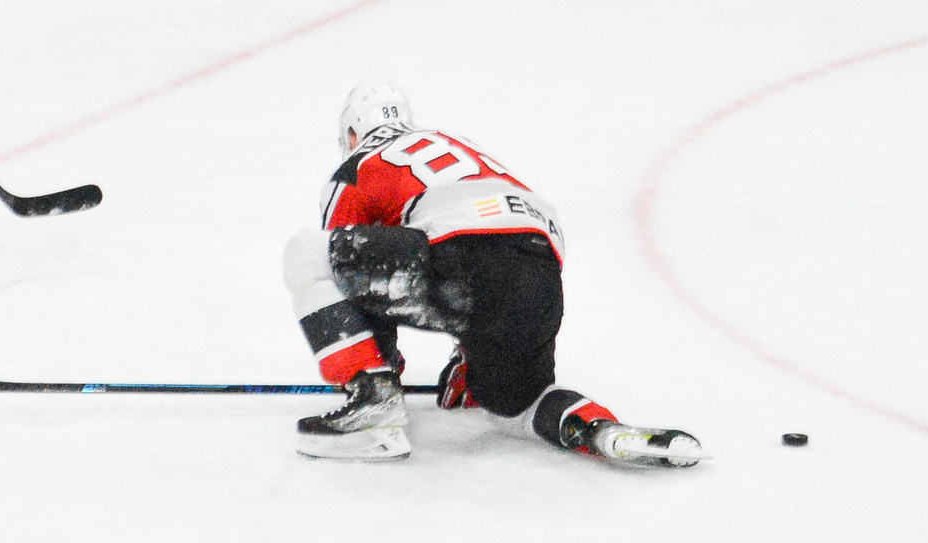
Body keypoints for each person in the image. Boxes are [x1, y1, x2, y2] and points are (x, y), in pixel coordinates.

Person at [283, 81, 705, 467]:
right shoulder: (454, 143)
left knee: (308, 253)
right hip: (539, 273)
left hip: (465, 259)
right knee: (513, 403)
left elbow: (348, 276)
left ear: (352, 134)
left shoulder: (359, 164)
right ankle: (599, 428)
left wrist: (380, 369)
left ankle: (372, 404)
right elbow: (489, 236)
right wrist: (475, 349)